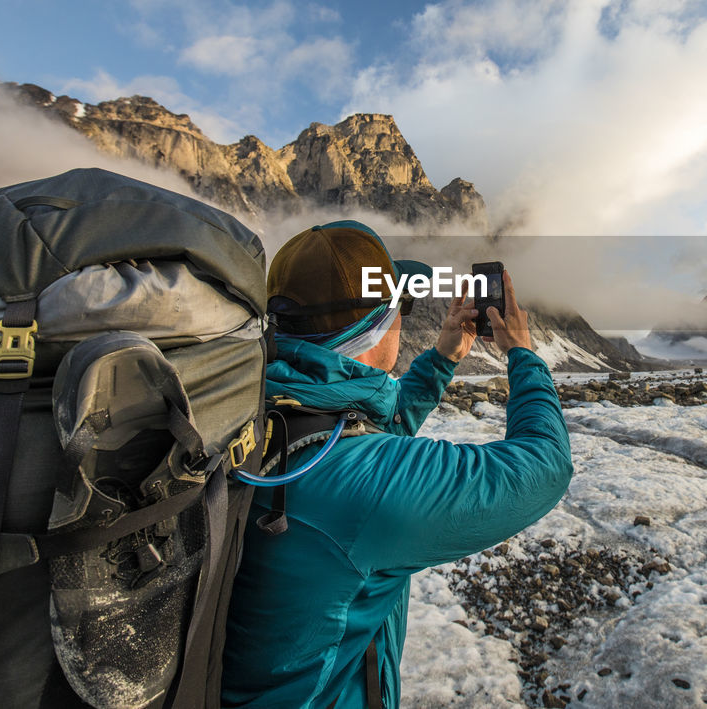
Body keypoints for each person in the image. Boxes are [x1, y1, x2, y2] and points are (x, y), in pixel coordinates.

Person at [221, 221, 573, 709]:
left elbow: (361, 435)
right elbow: (543, 466)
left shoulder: (267, 410)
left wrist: (442, 359)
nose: (403, 316)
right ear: (377, 324)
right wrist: (522, 353)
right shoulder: (362, 488)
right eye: (400, 306)